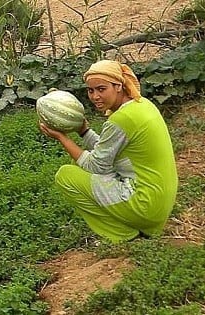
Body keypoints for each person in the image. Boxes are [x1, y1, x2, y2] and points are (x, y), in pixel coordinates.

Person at [39, 60, 178, 243]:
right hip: (158, 203)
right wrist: (83, 131)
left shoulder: (122, 119)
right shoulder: (141, 105)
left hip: (144, 204)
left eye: (101, 89)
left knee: (66, 175)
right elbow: (107, 151)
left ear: (118, 86)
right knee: (78, 165)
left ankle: (124, 235)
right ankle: (138, 226)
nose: (95, 96)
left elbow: (96, 165)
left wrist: (61, 138)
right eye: (90, 90)